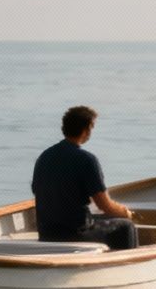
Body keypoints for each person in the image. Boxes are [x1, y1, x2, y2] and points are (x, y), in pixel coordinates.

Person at [32, 106, 139, 250]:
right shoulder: (87, 160)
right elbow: (104, 206)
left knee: (106, 220)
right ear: (86, 129)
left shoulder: (44, 157)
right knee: (126, 226)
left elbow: (36, 190)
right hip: (75, 233)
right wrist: (126, 213)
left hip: (47, 233)